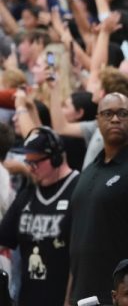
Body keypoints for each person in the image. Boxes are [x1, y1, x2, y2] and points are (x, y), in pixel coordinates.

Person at [69, 93, 128, 305]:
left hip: (116, 298)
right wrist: (69, 298)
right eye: (108, 113)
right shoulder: (88, 171)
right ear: (97, 120)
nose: (115, 119)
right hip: (82, 295)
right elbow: (78, 241)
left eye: (122, 113)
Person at [0, 127, 78, 306]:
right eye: (28, 163)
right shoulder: (28, 193)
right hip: (28, 297)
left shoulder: (78, 189)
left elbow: (80, 258)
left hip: (62, 297)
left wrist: (69, 300)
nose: (30, 169)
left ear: (56, 159)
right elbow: (4, 238)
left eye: (35, 163)